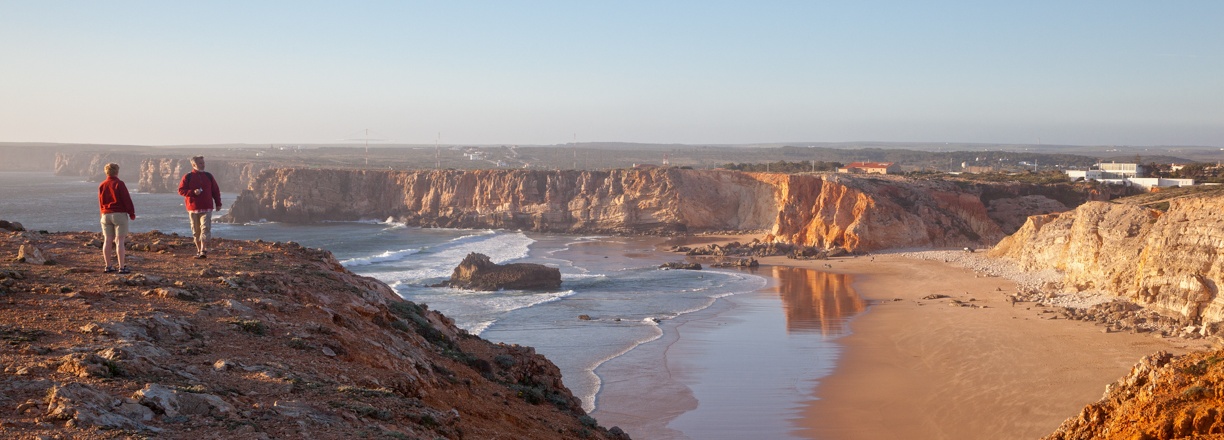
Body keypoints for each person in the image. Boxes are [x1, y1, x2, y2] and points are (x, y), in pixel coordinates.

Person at [177, 156, 222, 259]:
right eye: (200, 163)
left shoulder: (209, 176)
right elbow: (181, 190)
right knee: (196, 231)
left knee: (205, 228)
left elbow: (215, 190)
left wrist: (218, 203)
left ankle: (203, 250)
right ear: (194, 165)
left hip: (207, 207)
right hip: (193, 208)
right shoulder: (187, 177)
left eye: (203, 162)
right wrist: (193, 192)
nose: (203, 164)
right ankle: (198, 250)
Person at [98, 163, 136, 274]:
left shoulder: (102, 184)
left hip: (105, 215)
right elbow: (126, 199)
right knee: (120, 241)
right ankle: (121, 267)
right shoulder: (119, 184)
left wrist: (102, 213)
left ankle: (108, 265)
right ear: (117, 172)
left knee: (107, 240)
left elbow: (100, 201)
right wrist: (131, 213)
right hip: (119, 215)